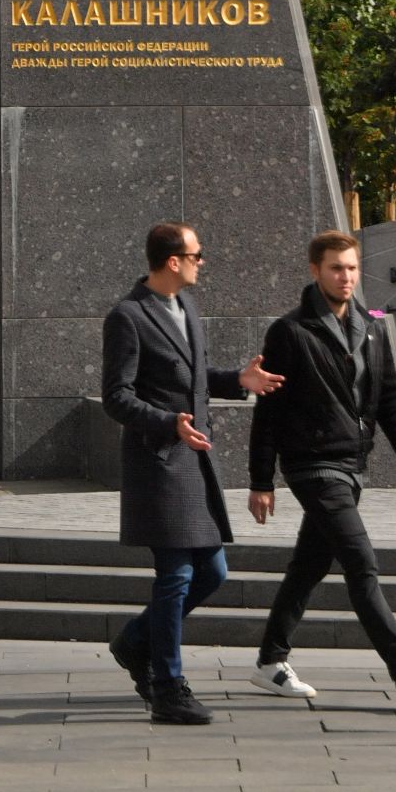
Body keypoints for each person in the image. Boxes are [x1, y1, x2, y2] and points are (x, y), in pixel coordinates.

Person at [246, 229, 396, 713]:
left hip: (350, 464)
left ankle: (269, 662)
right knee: (360, 562)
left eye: (353, 268)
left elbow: (391, 399)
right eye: (337, 268)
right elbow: (268, 411)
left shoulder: (372, 328)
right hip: (312, 465)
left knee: (310, 566)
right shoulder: (290, 332)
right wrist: (261, 480)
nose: (346, 277)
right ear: (315, 271)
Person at [101, 221, 282, 725]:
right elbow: (117, 396)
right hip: (159, 462)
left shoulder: (187, 309)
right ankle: (167, 687)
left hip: (193, 461)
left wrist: (237, 380)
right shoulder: (128, 316)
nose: (203, 262)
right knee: (177, 575)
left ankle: (137, 642)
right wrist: (167, 425)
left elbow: (191, 379)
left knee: (213, 571)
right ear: (173, 260)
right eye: (198, 255)